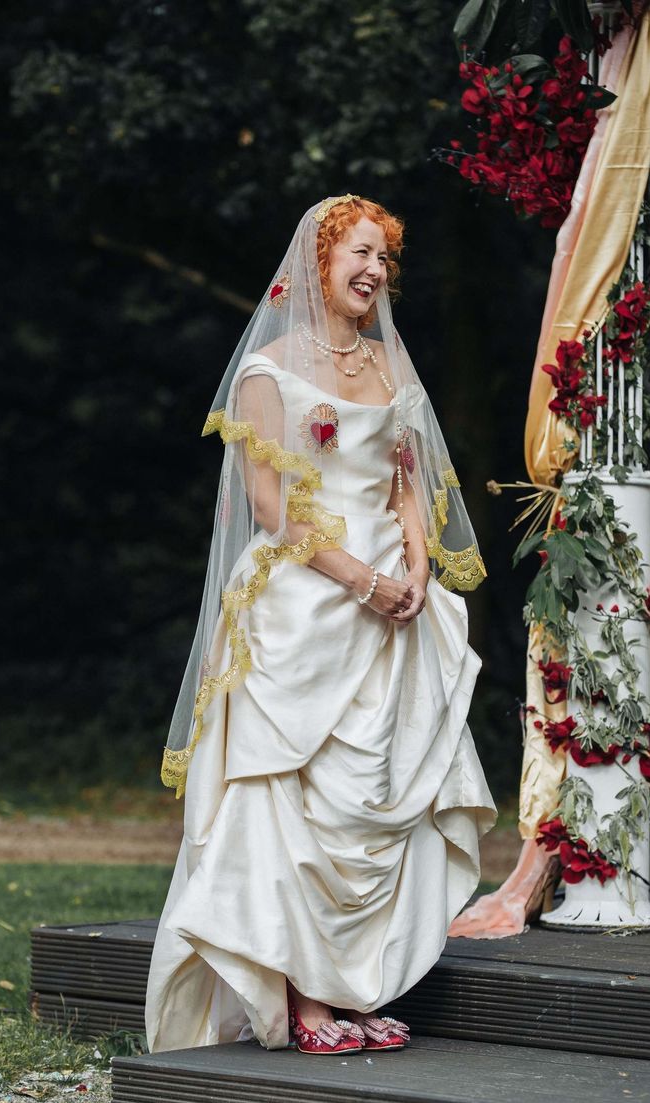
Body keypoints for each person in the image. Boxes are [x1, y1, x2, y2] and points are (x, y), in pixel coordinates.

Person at [145, 194, 497, 1056]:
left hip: (389, 608)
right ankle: (303, 1002)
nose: (375, 270)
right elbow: (269, 508)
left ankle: (349, 986)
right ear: (320, 260)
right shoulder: (267, 372)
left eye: (385, 258)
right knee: (293, 809)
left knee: (375, 804)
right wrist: (362, 579)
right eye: (361, 253)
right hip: (304, 604)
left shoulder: (389, 369)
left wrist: (414, 571)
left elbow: (407, 482)